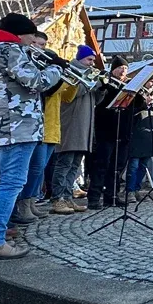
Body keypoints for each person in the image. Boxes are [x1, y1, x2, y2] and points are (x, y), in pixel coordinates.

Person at [0, 13, 63, 260]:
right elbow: (36, 82)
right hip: (19, 127)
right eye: (32, 36)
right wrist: (56, 69)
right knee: (10, 184)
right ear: (21, 33)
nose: (34, 41)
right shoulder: (10, 49)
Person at [11, 32, 66, 224]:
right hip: (32, 125)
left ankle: (30, 201)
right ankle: (22, 205)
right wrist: (56, 71)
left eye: (42, 45)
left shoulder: (42, 62)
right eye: (36, 43)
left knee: (39, 168)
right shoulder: (25, 62)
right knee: (33, 168)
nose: (39, 48)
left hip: (47, 124)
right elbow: (44, 88)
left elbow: (62, 93)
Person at [49, 46, 99, 215]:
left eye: (93, 61)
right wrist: (91, 82)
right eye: (89, 60)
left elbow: (95, 100)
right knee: (64, 164)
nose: (92, 64)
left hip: (84, 127)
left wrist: (101, 88)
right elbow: (72, 94)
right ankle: (57, 199)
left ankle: (68, 196)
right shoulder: (71, 72)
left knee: (75, 166)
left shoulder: (90, 74)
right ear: (80, 59)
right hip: (70, 124)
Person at [87, 56, 130, 209]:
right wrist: (105, 87)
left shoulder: (128, 86)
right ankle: (94, 197)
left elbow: (139, 107)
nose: (123, 71)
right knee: (101, 165)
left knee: (117, 167)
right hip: (106, 130)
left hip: (123, 132)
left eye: (125, 69)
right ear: (113, 70)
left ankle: (112, 196)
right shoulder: (105, 83)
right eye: (120, 68)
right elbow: (99, 102)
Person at [126, 85, 153, 202]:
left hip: (148, 140)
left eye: (152, 95)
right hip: (136, 140)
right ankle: (129, 190)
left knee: (143, 167)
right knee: (133, 166)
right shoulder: (136, 106)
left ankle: (136, 189)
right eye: (148, 95)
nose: (150, 97)